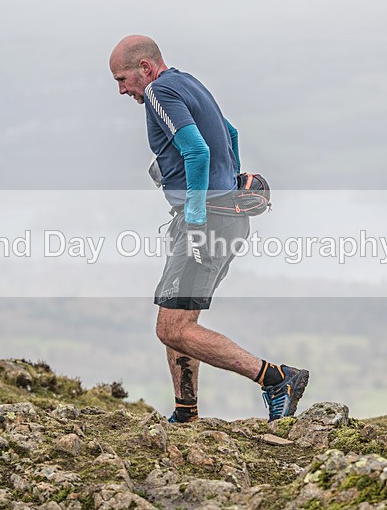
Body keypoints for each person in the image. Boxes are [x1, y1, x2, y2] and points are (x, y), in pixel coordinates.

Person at [108, 35, 309, 422]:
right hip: (227, 219)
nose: (121, 90)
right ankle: (186, 410)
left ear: (145, 68)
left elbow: (197, 151)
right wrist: (225, 183)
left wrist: (198, 217)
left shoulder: (158, 93)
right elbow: (230, 134)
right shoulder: (188, 82)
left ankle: (275, 378)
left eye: (123, 79)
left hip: (205, 223)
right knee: (179, 315)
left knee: (170, 328)